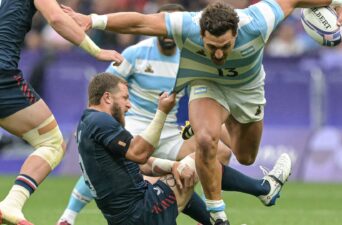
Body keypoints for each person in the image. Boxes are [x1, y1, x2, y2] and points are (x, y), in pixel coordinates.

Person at [62, 0, 342, 222]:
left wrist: (337, 2)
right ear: (201, 34)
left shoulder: (260, 21)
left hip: (247, 91)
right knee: (205, 140)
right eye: (212, 47)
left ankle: (265, 188)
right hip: (205, 85)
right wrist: (93, 20)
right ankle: (217, 215)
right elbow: (141, 22)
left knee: (243, 155)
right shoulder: (186, 25)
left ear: (237, 33)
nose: (219, 54)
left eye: (225, 46)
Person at [57, 4, 232, 225]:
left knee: (218, 153)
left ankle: (216, 217)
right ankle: (69, 215)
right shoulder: (136, 53)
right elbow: (106, 85)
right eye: (124, 98)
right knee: (196, 160)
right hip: (138, 126)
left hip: (166, 131)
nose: (127, 103)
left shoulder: (187, 58)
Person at [74, 72, 292, 225]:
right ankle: (264, 189)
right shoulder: (100, 123)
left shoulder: (87, 124)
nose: (129, 105)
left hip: (127, 215)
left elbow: (141, 163)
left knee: (179, 172)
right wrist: (162, 112)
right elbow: (139, 153)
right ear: (107, 97)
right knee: (201, 157)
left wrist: (173, 165)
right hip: (142, 213)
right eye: (125, 98)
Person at [0, 0, 123, 224]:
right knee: (52, 142)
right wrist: (96, 50)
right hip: (2, 76)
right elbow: (56, 18)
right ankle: (12, 204)